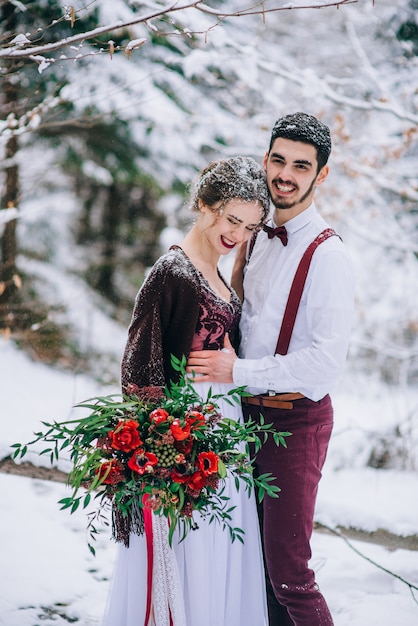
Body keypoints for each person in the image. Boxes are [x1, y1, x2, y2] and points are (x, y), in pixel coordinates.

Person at [186, 112, 356, 625]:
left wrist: (236, 373)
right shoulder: (254, 233)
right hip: (243, 420)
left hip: (295, 422)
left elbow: (325, 365)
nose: (285, 174)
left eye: (300, 166)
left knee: (289, 573)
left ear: (320, 175)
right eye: (278, 160)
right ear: (265, 160)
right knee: (251, 566)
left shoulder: (328, 256)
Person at [102, 156, 271, 626]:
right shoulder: (172, 272)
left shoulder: (221, 277)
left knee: (222, 548)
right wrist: (157, 447)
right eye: (232, 218)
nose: (237, 233)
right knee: (189, 546)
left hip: (226, 432)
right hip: (185, 434)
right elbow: (140, 366)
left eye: (250, 226)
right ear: (204, 203)